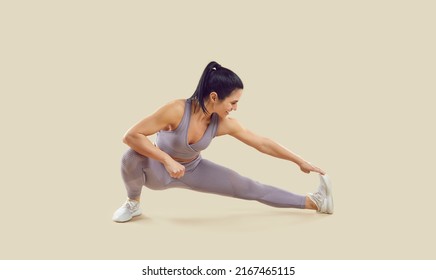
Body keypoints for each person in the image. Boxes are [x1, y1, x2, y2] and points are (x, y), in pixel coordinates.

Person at [112, 61, 333, 223]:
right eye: (233, 102)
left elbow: (262, 143)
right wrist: (166, 159)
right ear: (215, 97)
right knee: (130, 156)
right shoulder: (176, 110)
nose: (235, 108)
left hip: (194, 169)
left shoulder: (222, 122)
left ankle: (314, 202)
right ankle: (133, 203)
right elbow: (131, 135)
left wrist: (299, 161)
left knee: (250, 187)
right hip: (157, 172)